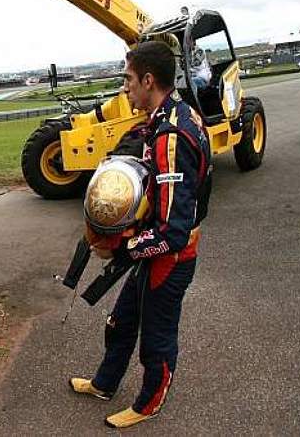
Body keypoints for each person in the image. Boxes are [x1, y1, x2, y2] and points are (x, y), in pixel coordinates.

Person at [69, 40, 212, 429]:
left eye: (128, 79)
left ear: (149, 80)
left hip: (170, 257)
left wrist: (119, 249)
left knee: (157, 337)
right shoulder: (173, 115)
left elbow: (173, 233)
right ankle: (104, 383)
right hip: (153, 253)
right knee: (120, 322)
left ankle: (149, 403)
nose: (125, 88)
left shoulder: (171, 136)